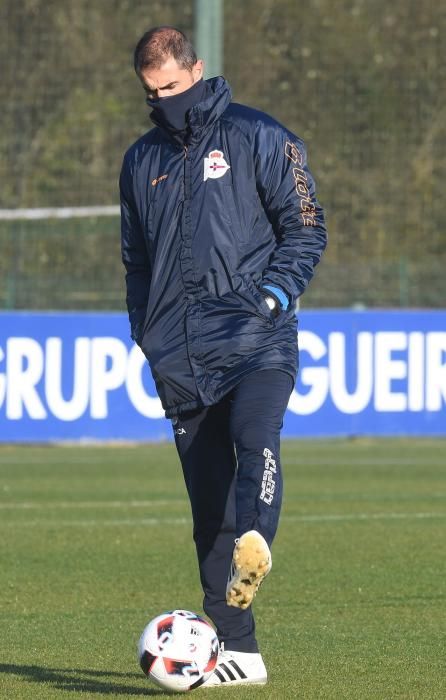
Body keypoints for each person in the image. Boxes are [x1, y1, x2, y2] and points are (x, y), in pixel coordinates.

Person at [120, 25, 326, 687]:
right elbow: (136, 262)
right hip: (180, 361)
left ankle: (257, 540)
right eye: (152, 94)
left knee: (255, 434)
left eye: (174, 88)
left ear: (198, 71)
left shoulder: (258, 135)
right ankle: (240, 653)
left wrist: (271, 296)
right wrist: (145, 333)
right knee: (209, 514)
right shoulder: (139, 159)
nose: (164, 102)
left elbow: (306, 223)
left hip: (257, 340)